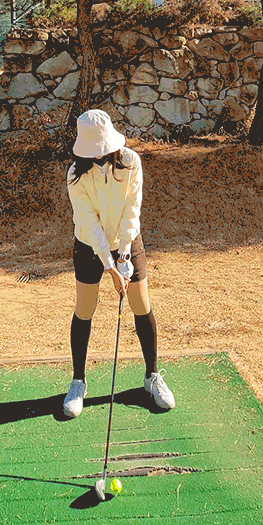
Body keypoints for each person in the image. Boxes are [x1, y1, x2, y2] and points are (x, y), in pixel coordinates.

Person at [63, 108, 175, 418]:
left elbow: (131, 210)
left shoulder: (131, 162)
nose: (99, 155)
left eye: (102, 148)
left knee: (141, 303)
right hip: (89, 245)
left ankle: (152, 376)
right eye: (93, 151)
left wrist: (123, 255)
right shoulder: (75, 175)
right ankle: (78, 381)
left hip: (128, 239)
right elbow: (88, 222)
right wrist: (111, 267)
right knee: (85, 308)